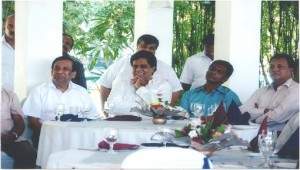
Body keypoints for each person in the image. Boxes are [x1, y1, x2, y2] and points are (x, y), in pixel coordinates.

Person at [22, 56, 100, 148]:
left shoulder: (81, 92)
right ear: (52, 72)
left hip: (76, 136)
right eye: (57, 68)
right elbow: (33, 122)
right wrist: (53, 133)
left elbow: (92, 116)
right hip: (47, 136)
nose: (59, 72)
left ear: (73, 74)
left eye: (65, 69)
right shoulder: (39, 91)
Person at [100, 34, 182, 113]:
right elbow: (108, 97)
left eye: (151, 48)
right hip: (122, 123)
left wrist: (161, 114)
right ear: (137, 47)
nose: (138, 70)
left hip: (151, 124)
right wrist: (144, 108)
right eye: (143, 47)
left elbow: (164, 104)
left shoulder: (165, 75)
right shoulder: (121, 73)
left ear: (153, 69)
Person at [239, 54, 299, 131]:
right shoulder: (261, 91)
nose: (275, 69)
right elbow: (241, 110)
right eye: (272, 67)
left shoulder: (297, 89)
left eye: (280, 66)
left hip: (281, 137)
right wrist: (264, 111)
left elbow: (278, 116)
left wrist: (254, 120)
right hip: (252, 133)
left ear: (291, 71)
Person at [107, 50, 172, 116]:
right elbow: (111, 106)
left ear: (153, 69)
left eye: (143, 66)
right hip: (121, 125)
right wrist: (141, 107)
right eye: (135, 66)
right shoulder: (122, 82)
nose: (138, 70)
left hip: (151, 126)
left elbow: (161, 109)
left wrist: (140, 88)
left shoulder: (163, 85)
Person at [1, 88, 37, 169]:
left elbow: (19, 122)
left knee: (29, 153)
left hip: (7, 138)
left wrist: (12, 136)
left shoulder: (9, 95)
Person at [2, 14, 15, 91]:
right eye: (10, 26)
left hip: (26, 94)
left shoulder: (29, 47)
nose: (13, 29)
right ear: (4, 27)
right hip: (3, 96)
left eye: (16, 26)